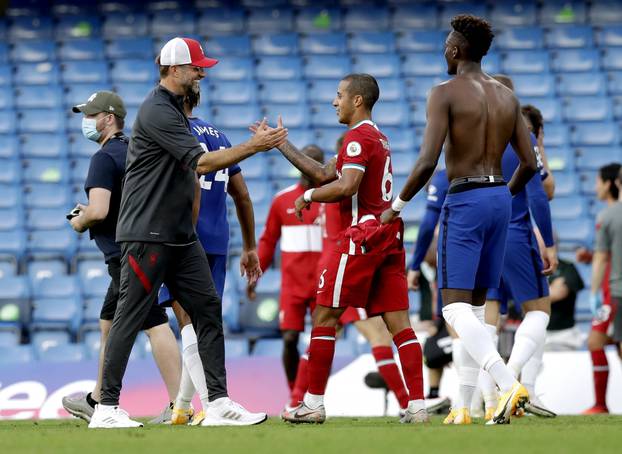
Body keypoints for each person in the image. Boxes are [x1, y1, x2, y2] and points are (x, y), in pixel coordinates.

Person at [88, 37, 287, 429]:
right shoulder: (158, 109)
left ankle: (218, 404)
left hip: (179, 235)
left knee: (207, 308)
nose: (202, 73)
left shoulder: (176, 108)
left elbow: (191, 179)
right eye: (197, 67)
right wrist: (255, 145)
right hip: (147, 233)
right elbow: (202, 163)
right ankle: (106, 409)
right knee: (130, 315)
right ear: (175, 70)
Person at [381, 15, 538, 425]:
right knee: (477, 306)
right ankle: (465, 406)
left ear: (456, 50)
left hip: (466, 198)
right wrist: (502, 195)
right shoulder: (507, 97)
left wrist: (396, 206)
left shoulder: (443, 93)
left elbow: (427, 161)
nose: (444, 50)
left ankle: (506, 385)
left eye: (446, 44)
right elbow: (529, 163)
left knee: (453, 309)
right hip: (500, 197)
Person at [256, 73, 427, 424]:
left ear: (357, 100)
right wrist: (281, 144)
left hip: (360, 239)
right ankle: (417, 406)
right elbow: (323, 174)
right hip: (387, 237)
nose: (335, 102)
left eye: (339, 95)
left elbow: (343, 186)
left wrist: (307, 196)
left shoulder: (356, 137)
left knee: (325, 318)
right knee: (399, 324)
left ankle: (313, 404)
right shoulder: (378, 137)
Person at [252, 141, 410, 415]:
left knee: (339, 333)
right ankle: (297, 398)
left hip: (340, 269)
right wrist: (257, 273)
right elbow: (268, 240)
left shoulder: (337, 193)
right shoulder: (299, 198)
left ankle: (303, 401)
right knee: (306, 336)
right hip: (325, 273)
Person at [62, 91, 181, 424]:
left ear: (108, 118)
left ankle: (179, 404)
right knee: (108, 324)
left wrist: (78, 220)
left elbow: (99, 210)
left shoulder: (103, 158)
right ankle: (98, 398)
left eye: (91, 114)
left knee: (154, 322)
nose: (87, 121)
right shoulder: (138, 151)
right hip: (149, 245)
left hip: (124, 253)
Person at [155, 86, 261, 425]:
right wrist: (250, 246)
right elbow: (242, 196)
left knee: (188, 321)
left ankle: (214, 405)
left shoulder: (174, 132)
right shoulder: (220, 135)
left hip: (185, 239)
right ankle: (183, 407)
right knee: (202, 325)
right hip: (219, 240)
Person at [475, 75, 557, 422]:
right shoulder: (519, 138)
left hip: (478, 236)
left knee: (486, 323)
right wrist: (549, 244)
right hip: (513, 233)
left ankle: (488, 402)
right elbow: (539, 195)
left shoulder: (471, 138)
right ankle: (514, 381)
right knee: (540, 311)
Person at [576, 163, 620, 414]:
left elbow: (608, 258)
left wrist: (594, 292)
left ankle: (601, 405)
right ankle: (600, 404)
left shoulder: (609, 216)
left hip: (612, 293)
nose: (595, 187)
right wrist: (592, 256)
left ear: (610, 184)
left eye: (598, 181)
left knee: (595, 341)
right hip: (611, 292)